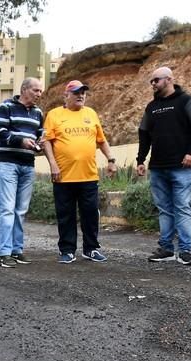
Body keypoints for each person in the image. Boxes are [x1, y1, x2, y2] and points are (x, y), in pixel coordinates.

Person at [43, 80, 117, 264]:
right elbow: (46, 141)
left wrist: (111, 160)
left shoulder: (90, 114)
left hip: (88, 175)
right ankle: (67, 250)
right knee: (65, 215)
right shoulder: (54, 115)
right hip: (63, 176)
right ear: (66, 95)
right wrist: (52, 164)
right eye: (76, 92)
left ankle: (91, 249)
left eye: (83, 92)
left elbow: (101, 140)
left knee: (90, 213)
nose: (80, 95)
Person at [137, 67, 191, 265]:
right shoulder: (151, 107)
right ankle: (166, 249)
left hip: (181, 166)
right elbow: (144, 133)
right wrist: (141, 160)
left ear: (169, 79)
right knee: (164, 209)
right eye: (151, 81)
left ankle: (185, 251)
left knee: (182, 207)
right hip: (158, 167)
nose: (153, 84)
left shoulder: (185, 101)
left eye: (156, 80)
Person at [0, 77, 44, 268]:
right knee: (7, 209)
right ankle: (3, 253)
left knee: (21, 211)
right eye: (36, 90)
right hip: (8, 164)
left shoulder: (38, 113)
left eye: (40, 91)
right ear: (24, 90)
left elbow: (39, 135)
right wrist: (20, 141)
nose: (39, 94)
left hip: (28, 165)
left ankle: (17, 250)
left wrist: (38, 145)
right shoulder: (6, 107)